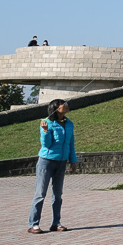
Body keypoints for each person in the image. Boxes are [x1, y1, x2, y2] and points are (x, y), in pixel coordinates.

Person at [27, 99, 77, 234]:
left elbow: (70, 144)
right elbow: (46, 145)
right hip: (46, 161)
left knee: (58, 195)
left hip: (61, 162)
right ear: (56, 108)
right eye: (63, 103)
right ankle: (33, 224)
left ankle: (56, 223)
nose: (66, 104)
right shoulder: (47, 123)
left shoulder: (69, 124)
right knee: (40, 193)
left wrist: (73, 161)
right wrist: (45, 131)